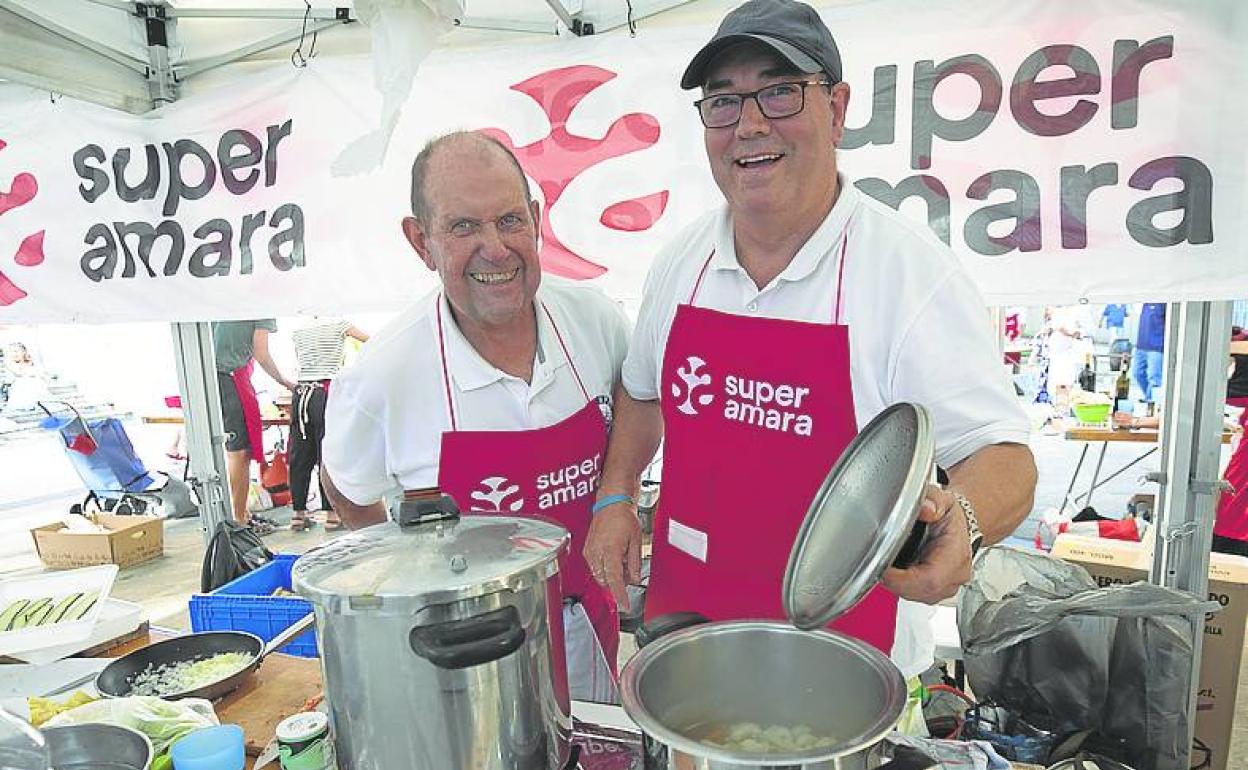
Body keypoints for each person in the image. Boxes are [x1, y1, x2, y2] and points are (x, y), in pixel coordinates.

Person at [583, 0, 1036, 694]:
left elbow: (1004, 456)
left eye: (780, 90)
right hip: (692, 637)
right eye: (725, 102)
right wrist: (614, 498)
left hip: (848, 660)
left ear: (837, 107)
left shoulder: (907, 273)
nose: (750, 124)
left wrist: (966, 522)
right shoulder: (682, 263)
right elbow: (642, 392)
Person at [320, 131, 629, 703]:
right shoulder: (382, 374)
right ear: (421, 242)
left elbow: (638, 403)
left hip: (586, 627)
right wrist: (414, 576)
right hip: (462, 652)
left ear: (536, 220)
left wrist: (618, 496)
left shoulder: (594, 320)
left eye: (510, 220)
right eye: (464, 227)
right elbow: (347, 490)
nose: (496, 248)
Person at [287, 317, 369, 532]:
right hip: (325, 393)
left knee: (299, 455)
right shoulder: (339, 323)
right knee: (328, 453)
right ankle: (332, 515)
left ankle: (298, 514)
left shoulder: (299, 327)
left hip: (301, 393)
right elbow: (371, 342)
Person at [214, 319, 295, 535]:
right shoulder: (260, 305)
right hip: (229, 379)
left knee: (225, 449)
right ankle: (238, 520)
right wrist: (285, 382)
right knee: (239, 452)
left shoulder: (217, 295)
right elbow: (261, 353)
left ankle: (241, 515)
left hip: (205, 378)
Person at [1133, 302, 1166, 406]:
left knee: (1154, 377)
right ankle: (1149, 398)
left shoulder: (1165, 303)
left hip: (1157, 345)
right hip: (1141, 344)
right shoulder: (1145, 301)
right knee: (1137, 373)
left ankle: (1150, 402)